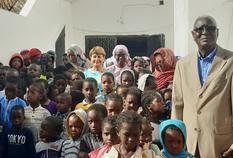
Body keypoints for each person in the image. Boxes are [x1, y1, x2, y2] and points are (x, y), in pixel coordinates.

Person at [171, 15, 233, 158]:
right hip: (189, 144)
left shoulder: (230, 61)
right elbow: (177, 105)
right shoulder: (182, 65)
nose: (205, 32)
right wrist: (175, 140)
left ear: (217, 32)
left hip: (221, 145)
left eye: (210, 28)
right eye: (199, 29)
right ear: (193, 35)